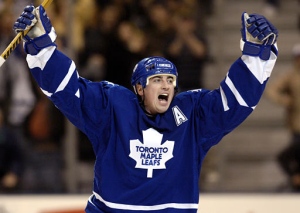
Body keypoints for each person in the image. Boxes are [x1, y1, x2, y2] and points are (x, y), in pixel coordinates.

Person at [13, 5, 278, 213]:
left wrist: (256, 56)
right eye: (157, 80)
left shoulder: (192, 116)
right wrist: (41, 45)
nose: (166, 85)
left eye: (171, 80)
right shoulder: (112, 108)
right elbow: (67, 91)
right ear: (139, 88)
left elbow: (235, 103)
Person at [266, 44, 300, 192]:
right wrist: (286, 101)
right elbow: (272, 90)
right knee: (294, 158)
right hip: (297, 126)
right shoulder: (291, 77)